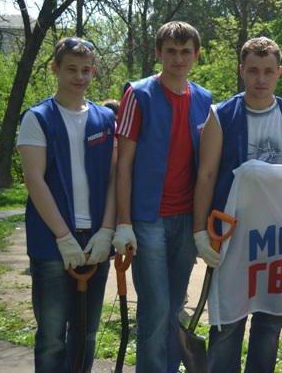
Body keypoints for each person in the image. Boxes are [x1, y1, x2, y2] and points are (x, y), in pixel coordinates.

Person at [193, 36, 282, 373]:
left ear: (279, 73)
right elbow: (205, 175)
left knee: (269, 326)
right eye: (253, 71)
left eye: (267, 71)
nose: (260, 79)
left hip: (280, 240)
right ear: (241, 71)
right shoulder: (221, 115)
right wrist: (198, 233)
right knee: (227, 324)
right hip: (231, 236)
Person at [112, 21, 212, 372]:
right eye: (171, 51)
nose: (178, 58)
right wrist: (123, 223)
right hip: (148, 218)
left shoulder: (204, 99)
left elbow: (209, 166)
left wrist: (203, 225)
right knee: (155, 308)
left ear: (196, 55)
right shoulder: (138, 95)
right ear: (158, 53)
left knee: (173, 306)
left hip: (187, 219)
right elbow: (122, 164)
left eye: (186, 52)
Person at [17, 37, 116, 372]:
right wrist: (62, 236)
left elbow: (115, 178)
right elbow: (35, 179)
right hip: (51, 242)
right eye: (71, 69)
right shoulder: (38, 118)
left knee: (86, 333)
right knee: (52, 335)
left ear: (94, 71)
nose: (79, 76)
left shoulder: (106, 120)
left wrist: (107, 230)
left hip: (96, 241)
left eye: (86, 70)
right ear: (55, 69)